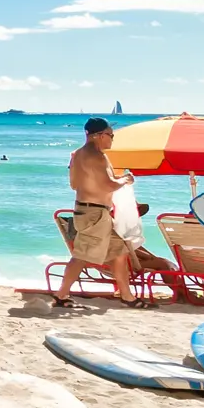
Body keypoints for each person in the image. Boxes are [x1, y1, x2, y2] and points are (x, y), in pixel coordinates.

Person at [52, 117, 150, 308]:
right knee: (82, 255)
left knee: (120, 251)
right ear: (99, 135)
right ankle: (60, 295)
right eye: (110, 135)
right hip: (94, 214)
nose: (112, 139)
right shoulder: (97, 156)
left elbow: (74, 185)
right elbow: (109, 185)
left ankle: (127, 296)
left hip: (90, 211)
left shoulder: (78, 155)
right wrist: (126, 180)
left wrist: (115, 180)